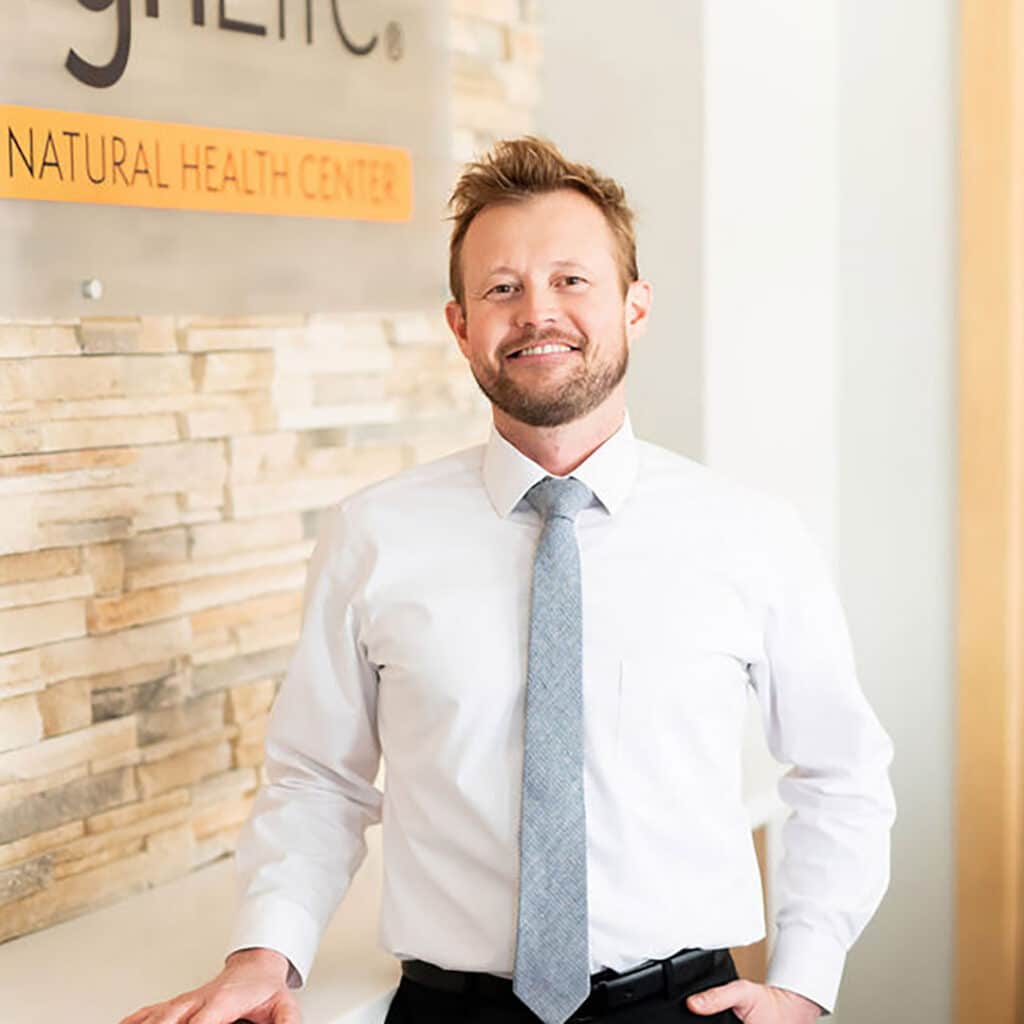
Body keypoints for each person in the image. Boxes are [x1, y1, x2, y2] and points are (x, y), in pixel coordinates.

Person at [117, 137, 896, 1024]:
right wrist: (266, 952)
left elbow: (842, 772)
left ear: (635, 307)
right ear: (460, 325)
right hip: (449, 1012)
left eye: (572, 280)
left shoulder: (750, 534)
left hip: (685, 1008)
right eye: (502, 288)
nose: (537, 313)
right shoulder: (373, 535)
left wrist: (805, 982)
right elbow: (316, 780)